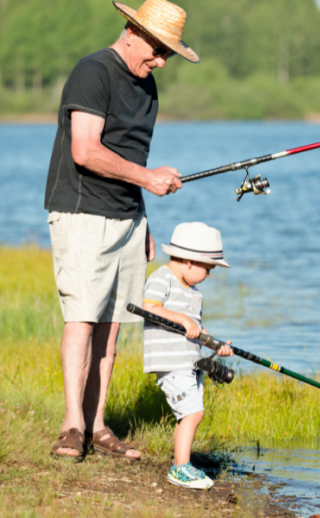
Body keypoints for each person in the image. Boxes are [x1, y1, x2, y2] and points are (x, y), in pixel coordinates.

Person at [45, 0, 200, 460]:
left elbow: (132, 160)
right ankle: (72, 426)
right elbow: (85, 151)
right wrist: (149, 180)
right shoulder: (93, 72)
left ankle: (97, 426)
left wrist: (143, 215)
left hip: (128, 218)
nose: (160, 60)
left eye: (168, 54)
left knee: (111, 329)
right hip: (81, 213)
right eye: (158, 49)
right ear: (131, 30)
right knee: (83, 317)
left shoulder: (148, 88)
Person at [142, 222, 233, 490]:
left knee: (188, 414)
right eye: (208, 268)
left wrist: (216, 346)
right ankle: (180, 469)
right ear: (191, 262)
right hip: (171, 361)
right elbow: (150, 307)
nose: (209, 275)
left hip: (190, 362)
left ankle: (183, 463)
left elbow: (196, 330)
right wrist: (180, 317)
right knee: (194, 412)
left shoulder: (194, 293)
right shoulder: (162, 277)